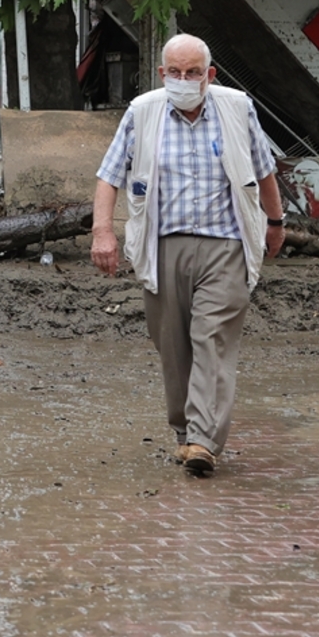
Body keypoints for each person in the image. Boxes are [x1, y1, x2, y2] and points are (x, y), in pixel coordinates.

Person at [91, 33, 285, 477]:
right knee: (173, 346)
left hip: (226, 243)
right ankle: (185, 432)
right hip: (163, 244)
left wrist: (275, 223)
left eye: (193, 72)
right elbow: (109, 176)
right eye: (175, 73)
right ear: (162, 74)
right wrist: (103, 231)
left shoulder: (237, 108)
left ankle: (203, 439)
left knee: (212, 337)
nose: (183, 80)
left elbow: (264, 169)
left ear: (209, 75)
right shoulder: (143, 113)